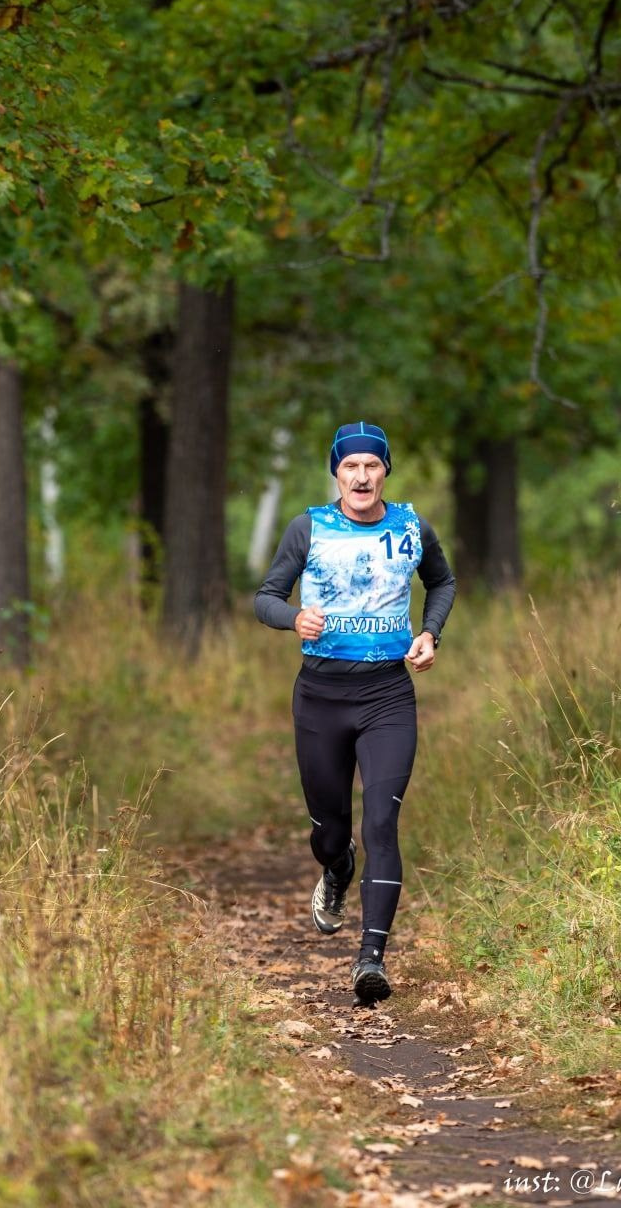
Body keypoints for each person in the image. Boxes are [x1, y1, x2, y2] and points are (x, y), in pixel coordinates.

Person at [254, 421, 456, 1006]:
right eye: (351, 466)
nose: (362, 476)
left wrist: (430, 632)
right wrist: (292, 618)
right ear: (336, 473)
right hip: (320, 698)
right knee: (331, 831)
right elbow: (265, 596)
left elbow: (442, 582)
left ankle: (371, 958)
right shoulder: (308, 528)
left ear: (385, 470)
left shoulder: (411, 526)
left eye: (372, 465)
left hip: (388, 695)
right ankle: (335, 867)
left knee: (382, 824)